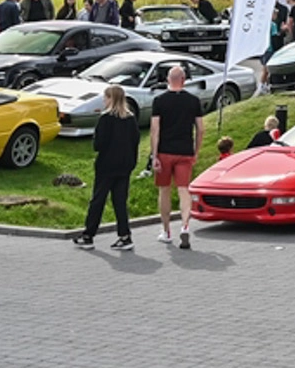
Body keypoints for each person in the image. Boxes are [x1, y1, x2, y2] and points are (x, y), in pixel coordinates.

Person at [73, 83, 140, 250]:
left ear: (111, 99)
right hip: (125, 166)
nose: (103, 100)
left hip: (106, 166)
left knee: (98, 200)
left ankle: (88, 235)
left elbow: (99, 145)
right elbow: (135, 142)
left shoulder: (105, 119)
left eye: (105, 97)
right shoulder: (130, 119)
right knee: (120, 202)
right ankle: (125, 236)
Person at [148, 65, 203, 250]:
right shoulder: (193, 101)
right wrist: (196, 151)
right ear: (184, 80)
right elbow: (201, 129)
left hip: (165, 151)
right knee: (183, 190)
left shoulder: (159, 101)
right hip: (185, 150)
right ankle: (185, 225)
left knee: (164, 190)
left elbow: (155, 129)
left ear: (168, 80)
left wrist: (154, 155)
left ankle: (166, 231)